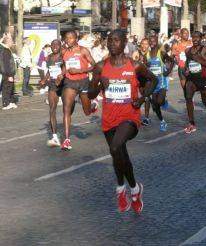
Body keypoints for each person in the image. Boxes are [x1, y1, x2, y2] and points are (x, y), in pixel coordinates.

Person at [88, 29, 157, 214]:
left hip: (129, 118)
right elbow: (90, 94)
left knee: (116, 147)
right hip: (109, 119)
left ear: (124, 43)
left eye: (116, 40)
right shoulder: (100, 67)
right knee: (119, 155)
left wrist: (143, 98)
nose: (112, 43)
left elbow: (153, 80)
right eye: (109, 40)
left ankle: (120, 188)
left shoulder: (135, 66)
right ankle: (134, 189)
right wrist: (99, 83)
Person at [60, 30, 98, 151]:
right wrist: (62, 74)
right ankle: (66, 140)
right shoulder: (64, 51)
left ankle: (92, 106)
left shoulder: (83, 50)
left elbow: (95, 66)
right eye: (66, 38)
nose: (68, 40)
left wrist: (80, 71)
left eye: (70, 38)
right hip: (70, 83)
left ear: (76, 39)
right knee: (66, 109)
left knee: (87, 112)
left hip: (83, 82)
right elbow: (65, 66)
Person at [183, 31, 206, 133]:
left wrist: (198, 59)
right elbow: (186, 64)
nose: (195, 39)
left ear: (201, 38)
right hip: (191, 79)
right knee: (188, 98)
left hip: (203, 78)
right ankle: (191, 123)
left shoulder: (205, 49)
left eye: (197, 37)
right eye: (193, 37)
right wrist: (186, 70)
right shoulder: (188, 51)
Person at [146, 34, 174, 131]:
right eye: (150, 41)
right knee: (155, 105)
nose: (152, 43)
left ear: (157, 42)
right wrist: (146, 65)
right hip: (152, 84)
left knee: (159, 102)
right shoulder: (147, 55)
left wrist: (168, 71)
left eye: (154, 41)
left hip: (161, 83)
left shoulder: (161, 53)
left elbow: (172, 60)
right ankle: (162, 121)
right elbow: (145, 69)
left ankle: (163, 101)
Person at [39, 39, 64, 147]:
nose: (54, 47)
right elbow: (49, 71)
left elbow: (67, 68)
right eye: (52, 45)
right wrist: (44, 79)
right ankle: (54, 136)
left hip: (64, 85)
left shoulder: (64, 56)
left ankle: (66, 135)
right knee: (52, 109)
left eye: (56, 45)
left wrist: (62, 76)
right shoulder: (48, 57)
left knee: (67, 110)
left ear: (60, 46)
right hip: (53, 86)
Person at [0, 34, 17, 110]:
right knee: (6, 88)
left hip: (9, 73)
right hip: (7, 73)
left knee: (11, 88)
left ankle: (11, 102)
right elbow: (6, 64)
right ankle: (6, 103)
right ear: (7, 42)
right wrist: (10, 75)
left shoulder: (7, 49)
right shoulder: (5, 50)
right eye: (11, 41)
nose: (12, 43)